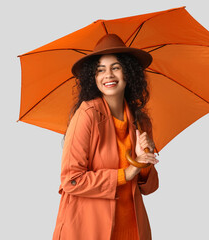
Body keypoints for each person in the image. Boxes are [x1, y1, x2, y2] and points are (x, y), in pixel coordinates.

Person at [52, 34, 159, 240]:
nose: (108, 75)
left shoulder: (141, 121)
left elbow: (150, 188)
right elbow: (71, 180)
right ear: (93, 77)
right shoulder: (88, 114)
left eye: (115, 67)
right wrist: (126, 173)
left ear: (128, 73)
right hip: (89, 229)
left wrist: (145, 159)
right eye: (100, 70)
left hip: (133, 230)